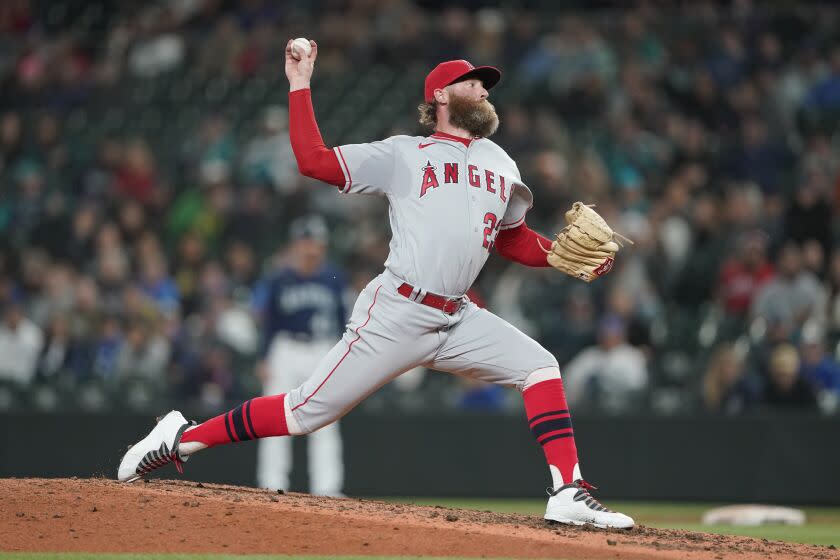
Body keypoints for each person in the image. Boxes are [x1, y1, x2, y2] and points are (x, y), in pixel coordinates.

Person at [118, 40, 634, 529]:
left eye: (486, 85)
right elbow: (313, 160)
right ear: (440, 95)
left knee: (540, 367)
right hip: (397, 313)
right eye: (472, 83)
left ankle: (567, 491)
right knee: (302, 413)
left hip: (457, 316)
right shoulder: (403, 154)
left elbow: (513, 239)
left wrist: (566, 259)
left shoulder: (501, 163)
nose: (483, 90)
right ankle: (180, 439)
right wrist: (300, 83)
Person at [255, 215, 347, 496]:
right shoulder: (279, 278)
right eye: (305, 242)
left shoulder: (334, 278)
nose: (310, 249)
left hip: (322, 350)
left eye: (314, 243)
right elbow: (268, 322)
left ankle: (328, 488)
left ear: (323, 246)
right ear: (295, 245)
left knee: (326, 422)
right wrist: (264, 356)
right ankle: (272, 484)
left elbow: (345, 322)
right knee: (273, 418)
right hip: (286, 349)